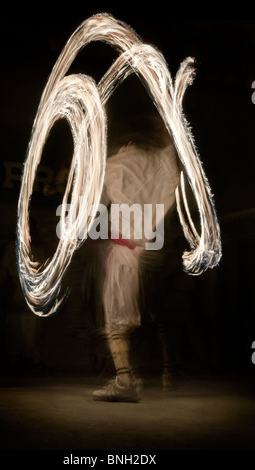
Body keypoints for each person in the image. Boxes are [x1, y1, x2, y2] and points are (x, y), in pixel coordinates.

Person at [92, 115, 181, 402]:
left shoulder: (117, 164)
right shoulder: (157, 166)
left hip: (123, 254)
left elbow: (95, 198)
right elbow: (172, 171)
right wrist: (169, 132)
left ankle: (125, 381)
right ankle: (138, 375)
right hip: (142, 253)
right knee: (140, 321)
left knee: (115, 325)